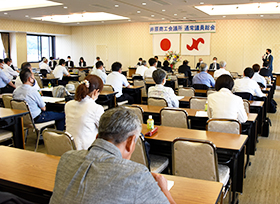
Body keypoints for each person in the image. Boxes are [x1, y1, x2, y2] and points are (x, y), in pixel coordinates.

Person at [50, 107, 175, 204]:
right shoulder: (136, 174)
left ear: (97, 137)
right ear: (131, 142)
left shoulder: (66, 158)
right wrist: (164, 190)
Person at [65, 75, 104, 150]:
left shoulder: (68, 104)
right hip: (87, 150)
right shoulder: (96, 108)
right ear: (96, 92)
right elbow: (104, 130)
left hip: (68, 148)